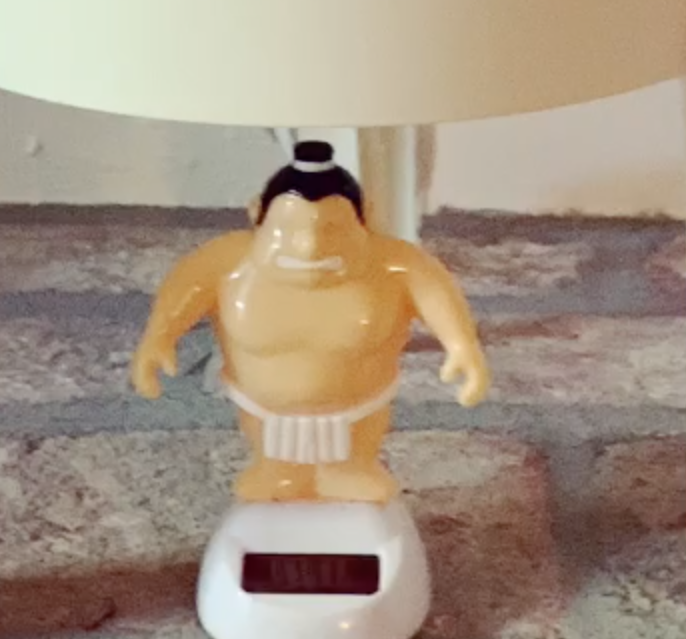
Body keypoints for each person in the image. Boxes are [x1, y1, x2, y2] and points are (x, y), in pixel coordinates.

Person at [132, 141, 490, 503]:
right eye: (287, 230)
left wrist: (462, 345)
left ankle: (349, 470)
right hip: (261, 407)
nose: (309, 247)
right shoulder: (227, 262)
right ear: (257, 214)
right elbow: (185, 288)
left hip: (358, 406)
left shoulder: (394, 265)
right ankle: (277, 471)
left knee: (352, 455)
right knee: (272, 456)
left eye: (332, 230)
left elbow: (434, 291)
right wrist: (159, 337)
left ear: (364, 216)